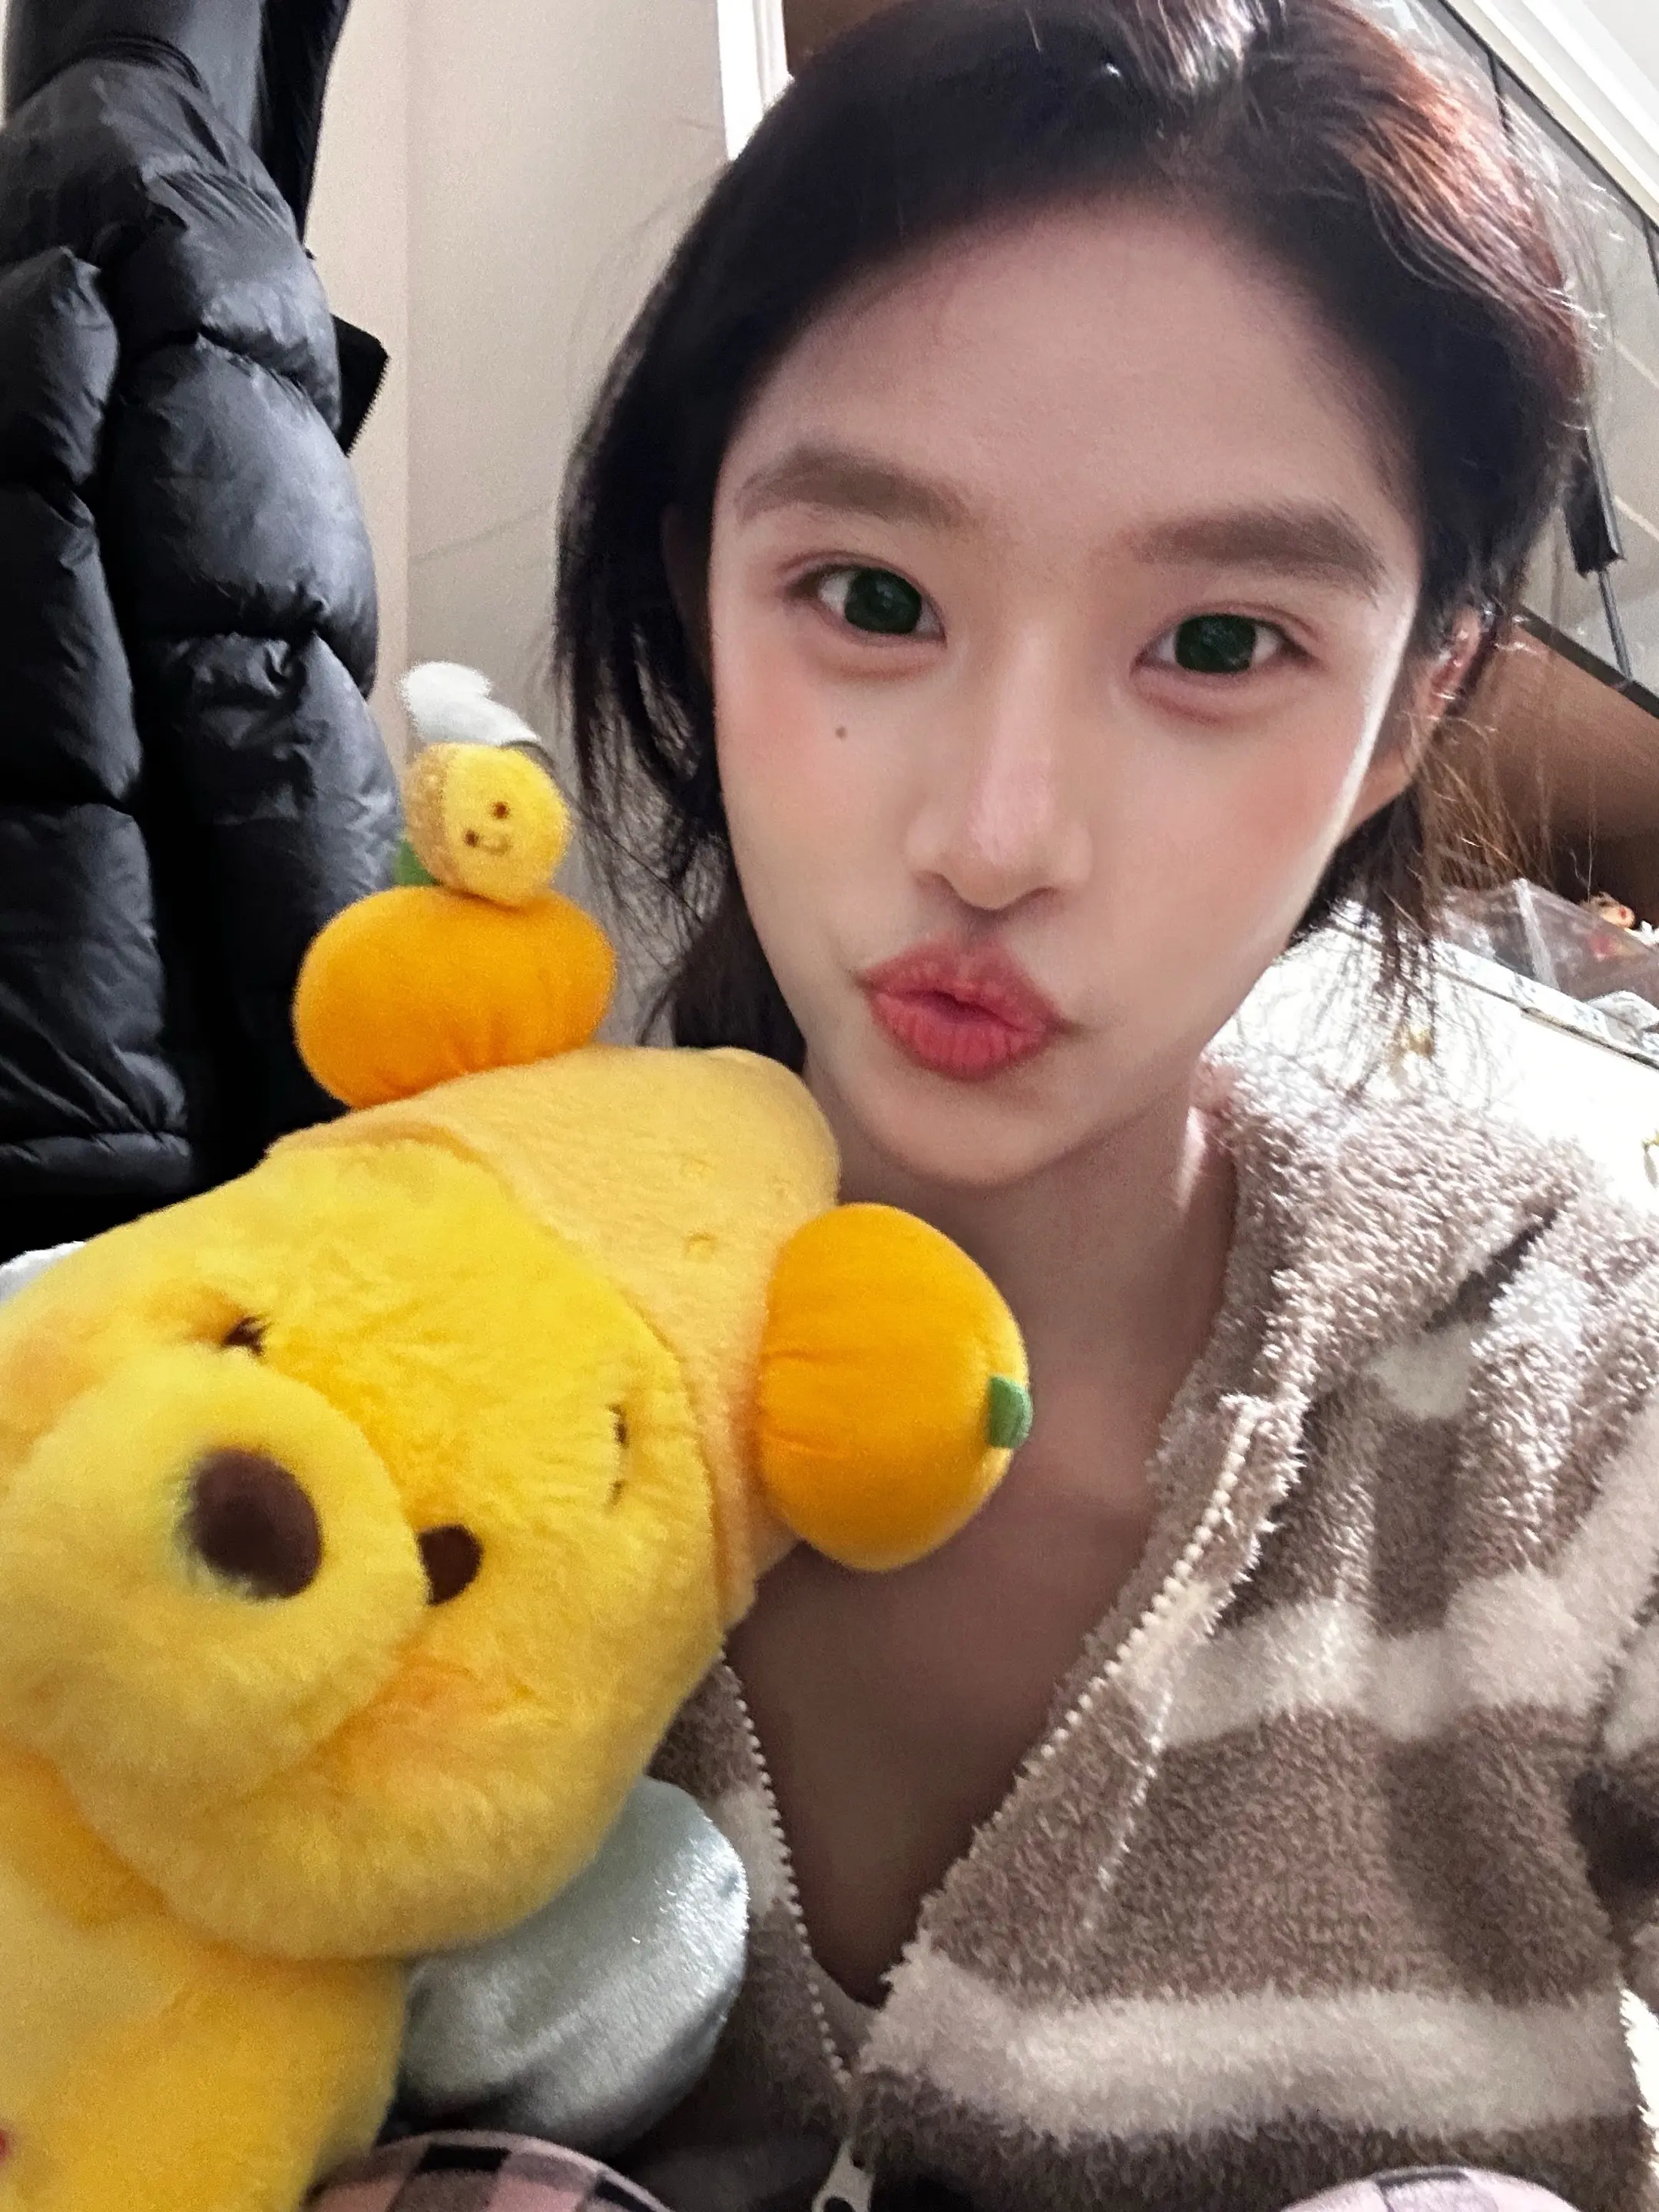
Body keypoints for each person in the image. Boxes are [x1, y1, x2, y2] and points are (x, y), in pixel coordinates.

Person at [0, 0, 399, 1263]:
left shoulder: (25, 185)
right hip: (146, 1119)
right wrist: (379, 1106)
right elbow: (266, 685)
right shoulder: (192, 200)